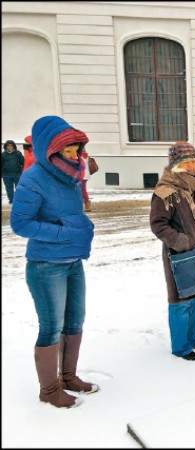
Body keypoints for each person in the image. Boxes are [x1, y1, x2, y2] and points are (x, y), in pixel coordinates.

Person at [10, 115, 98, 408]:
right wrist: (66, 233)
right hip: (46, 265)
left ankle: (69, 377)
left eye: (77, 150)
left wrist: (80, 227)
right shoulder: (33, 178)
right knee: (51, 326)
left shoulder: (71, 174)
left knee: (75, 321)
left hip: (74, 262)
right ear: (51, 148)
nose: (74, 156)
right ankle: (49, 390)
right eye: (68, 150)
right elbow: (20, 223)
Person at [150, 141, 195, 361]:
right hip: (179, 255)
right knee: (180, 301)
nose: (191, 167)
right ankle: (181, 347)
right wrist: (179, 241)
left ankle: (194, 339)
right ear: (175, 165)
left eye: (193, 162)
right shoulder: (165, 191)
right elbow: (158, 224)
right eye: (185, 163)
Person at [2, 139, 25, 204]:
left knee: (19, 188)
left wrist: (22, 172)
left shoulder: (18, 153)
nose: (10, 147)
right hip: (6, 175)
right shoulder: (3, 155)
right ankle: (11, 200)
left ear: (14, 146)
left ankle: (18, 200)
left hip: (17, 174)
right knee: (9, 189)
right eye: (8, 146)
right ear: (5, 146)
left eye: (11, 146)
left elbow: (23, 162)